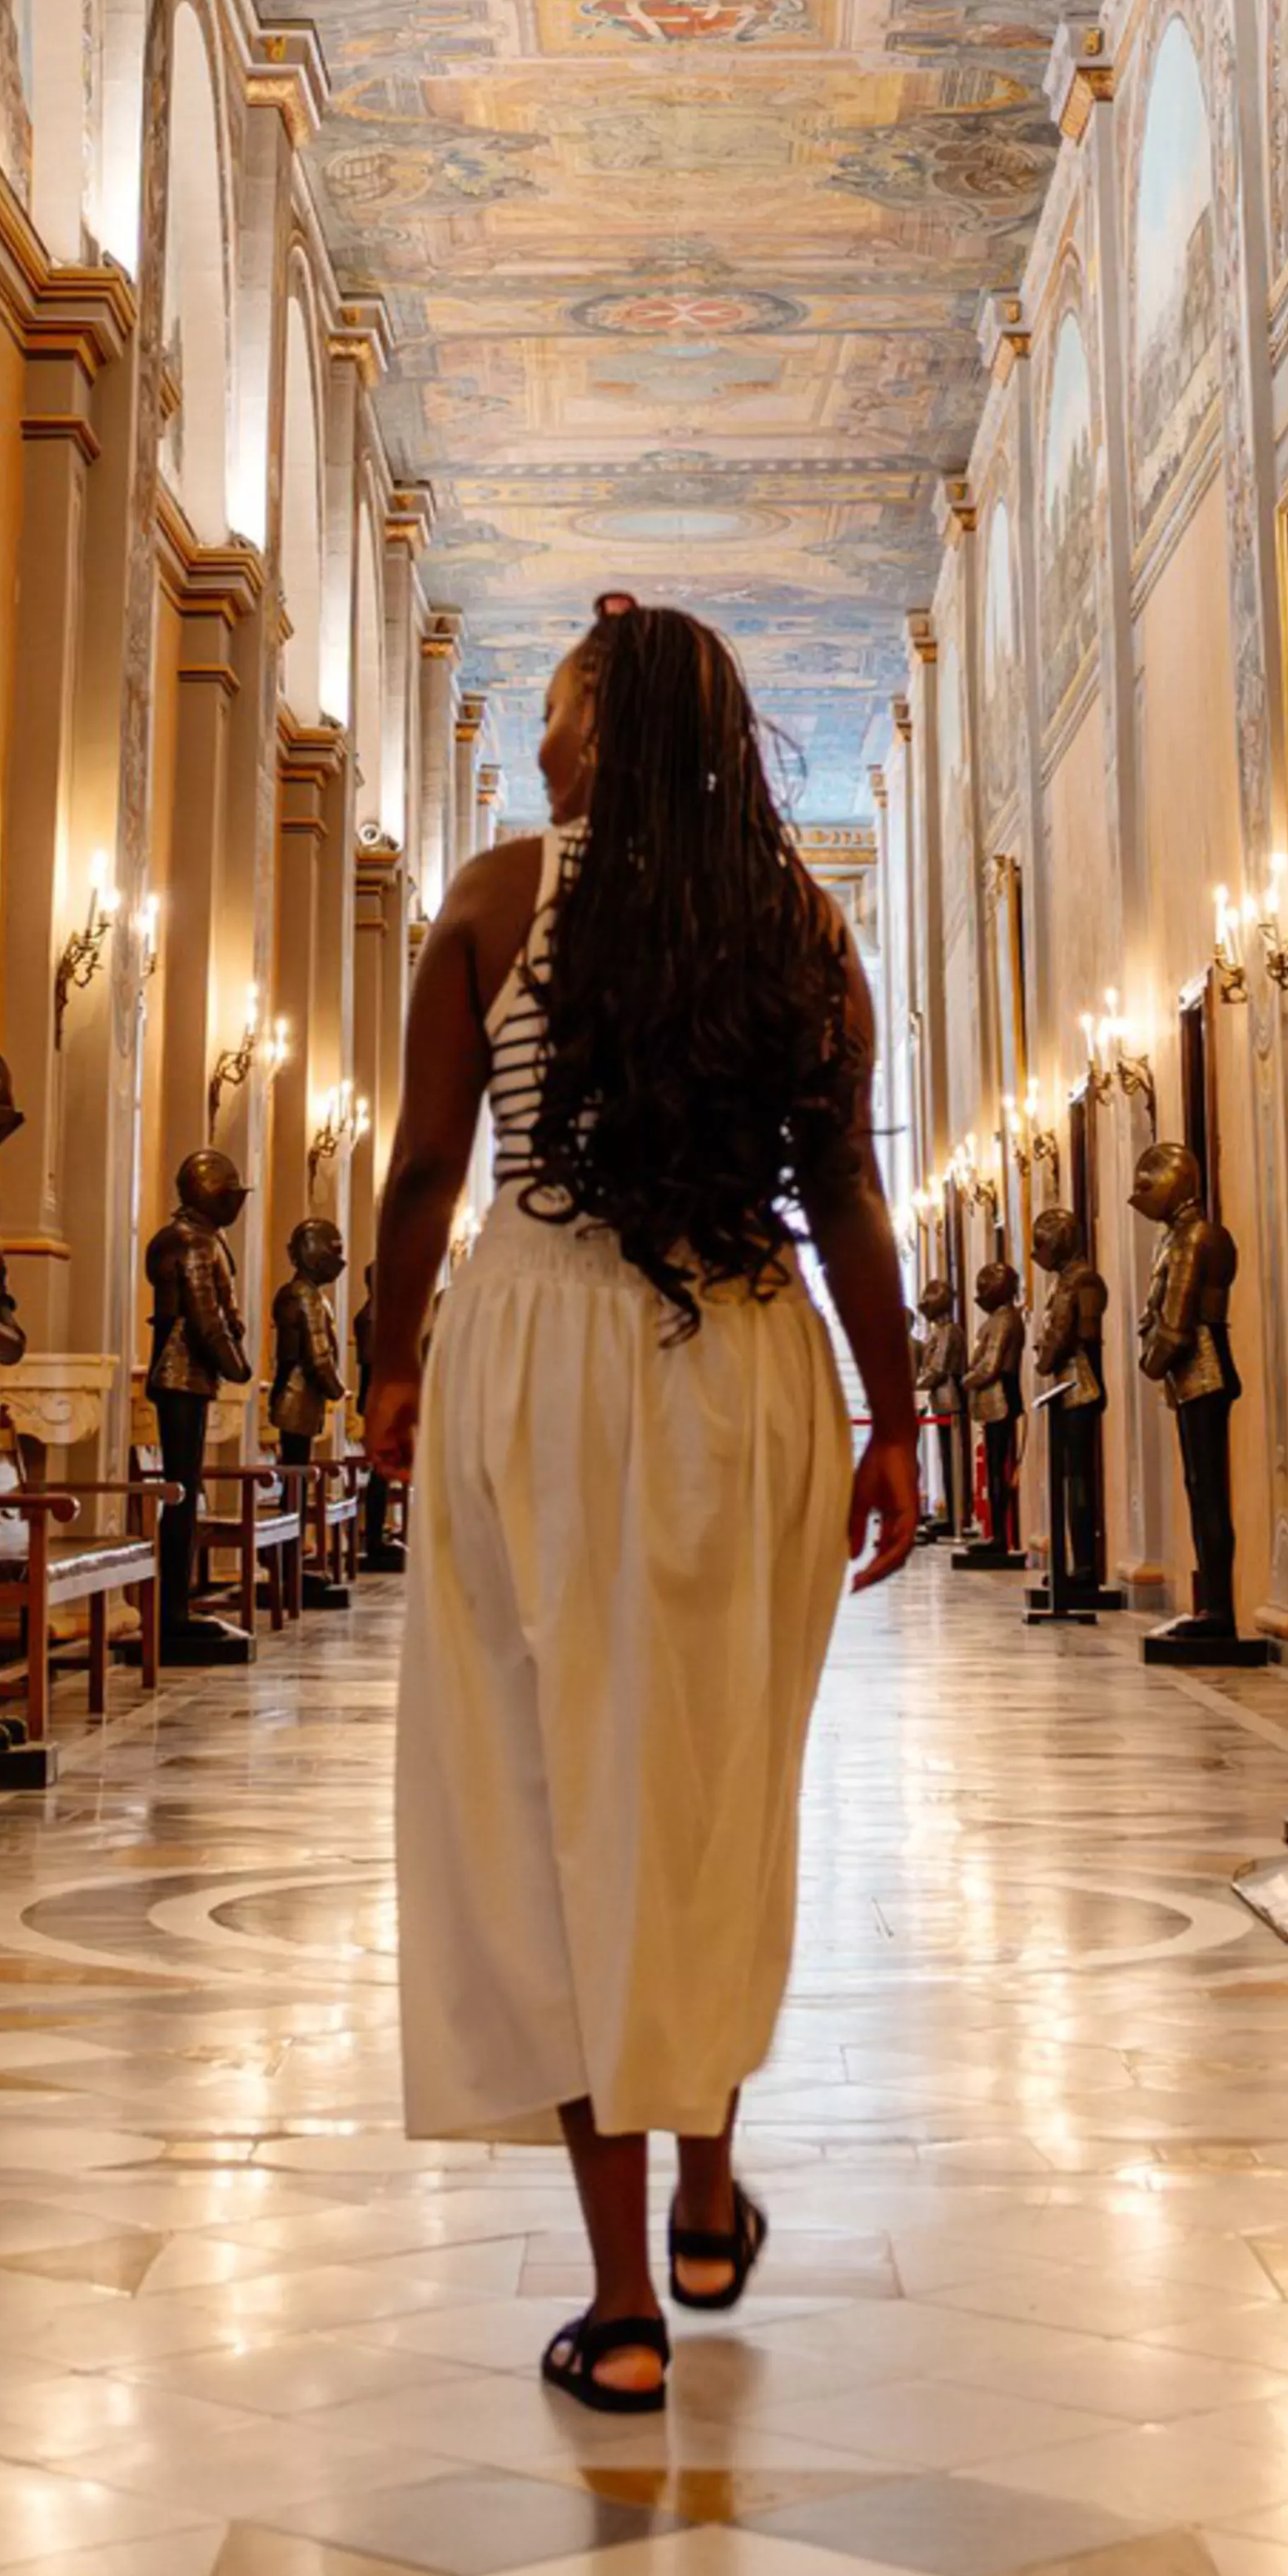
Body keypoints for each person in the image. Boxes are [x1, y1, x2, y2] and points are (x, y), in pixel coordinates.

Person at [366, 590, 919, 2412]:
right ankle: (701, 2194)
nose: (537, 742)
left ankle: (620, 2311)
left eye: (554, 709)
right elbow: (843, 1197)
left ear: (600, 730)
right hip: (745, 1366)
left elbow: (429, 1167)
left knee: (545, 1802)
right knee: (708, 1790)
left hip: (534, 1352)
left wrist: (385, 1360)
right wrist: (895, 1421)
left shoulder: (495, 899)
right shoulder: (803, 924)